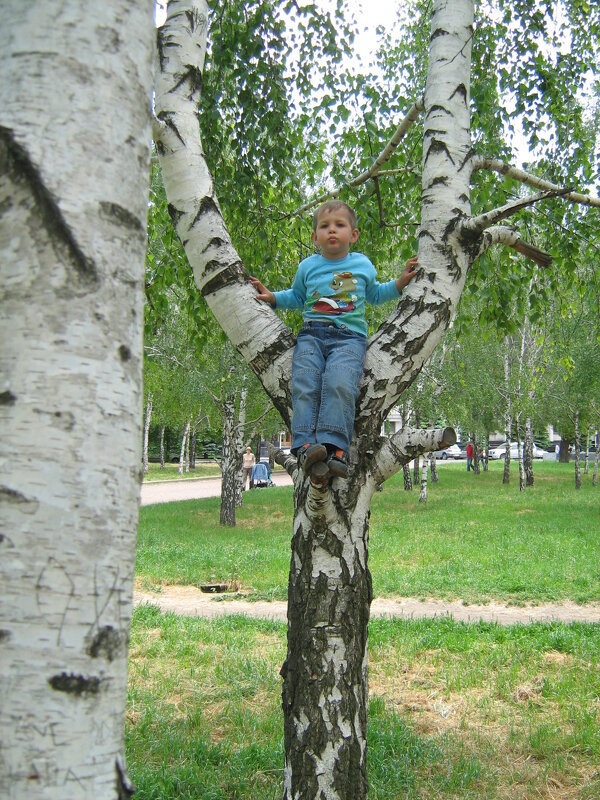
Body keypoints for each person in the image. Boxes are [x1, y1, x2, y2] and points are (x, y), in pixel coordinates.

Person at [251, 200, 417, 479]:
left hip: (349, 339)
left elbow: (376, 295)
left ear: (353, 235)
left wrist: (399, 283)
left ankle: (334, 449)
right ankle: (304, 446)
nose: (332, 231)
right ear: (315, 237)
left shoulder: (362, 265)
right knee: (305, 384)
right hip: (311, 336)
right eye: (324, 226)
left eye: (339, 225)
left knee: (339, 384)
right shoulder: (308, 267)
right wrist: (273, 299)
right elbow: (298, 297)